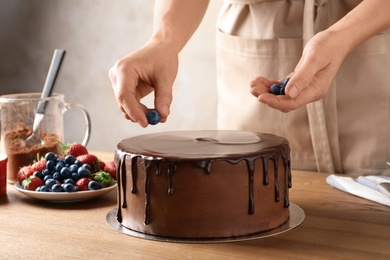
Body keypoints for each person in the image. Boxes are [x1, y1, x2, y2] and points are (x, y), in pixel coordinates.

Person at [109, 0, 390, 175]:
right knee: (252, 189)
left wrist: (341, 37)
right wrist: (163, 41)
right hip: (253, 42)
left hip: (370, 32)